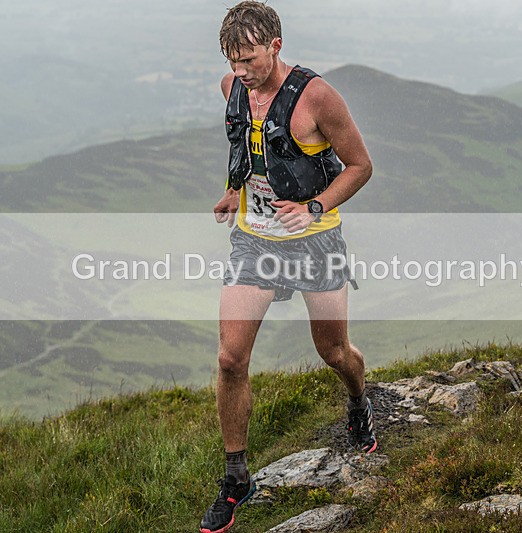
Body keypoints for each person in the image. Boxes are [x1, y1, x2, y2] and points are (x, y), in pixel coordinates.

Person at [200, 2, 375, 532]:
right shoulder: (232, 89)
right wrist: (235, 191)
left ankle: (359, 402)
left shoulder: (316, 96)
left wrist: (315, 206)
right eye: (233, 61)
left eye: (249, 59)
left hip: (316, 242)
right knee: (231, 359)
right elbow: (248, 149)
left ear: (275, 44)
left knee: (334, 351)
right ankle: (236, 479)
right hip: (255, 242)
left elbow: (361, 166)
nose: (241, 72)